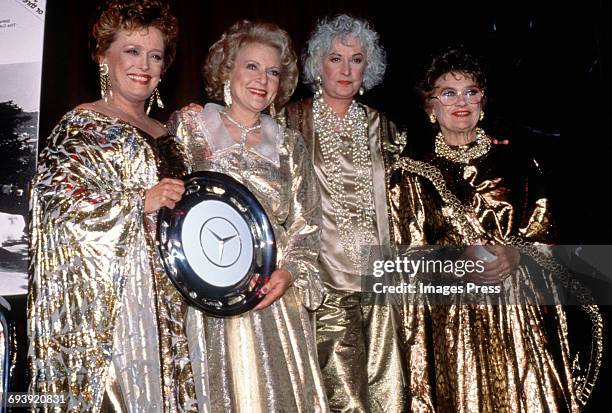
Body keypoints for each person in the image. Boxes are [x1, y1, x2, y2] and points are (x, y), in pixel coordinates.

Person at [387, 47, 603, 412]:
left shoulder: (520, 164)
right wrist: (458, 258)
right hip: (455, 327)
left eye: (471, 92)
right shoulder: (410, 176)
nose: (461, 101)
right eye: (448, 93)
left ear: (483, 102)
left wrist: (515, 254)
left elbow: (549, 242)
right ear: (430, 106)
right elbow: (403, 259)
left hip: (523, 318)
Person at [28, 1, 208, 411]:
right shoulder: (80, 126)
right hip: (119, 305)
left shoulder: (171, 133)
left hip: (177, 300)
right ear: (103, 56)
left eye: (156, 55)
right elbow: (55, 207)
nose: (144, 64)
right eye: (131, 50)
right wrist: (138, 202)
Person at [167, 20, 328, 412]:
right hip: (209, 299)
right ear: (227, 70)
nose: (263, 80)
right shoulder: (191, 127)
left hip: (273, 301)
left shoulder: (290, 143)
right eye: (252, 67)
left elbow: (307, 225)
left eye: (273, 72)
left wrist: (288, 274)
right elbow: (170, 210)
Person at [279, 14, 426, 412]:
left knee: (390, 393)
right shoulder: (290, 121)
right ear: (316, 64)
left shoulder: (389, 129)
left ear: (369, 67)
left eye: (356, 59)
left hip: (382, 280)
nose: (346, 70)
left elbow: (421, 193)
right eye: (335, 58)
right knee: (343, 397)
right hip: (324, 281)